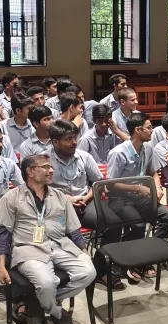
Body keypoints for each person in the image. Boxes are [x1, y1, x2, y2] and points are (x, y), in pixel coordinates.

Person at [0, 154, 96, 324]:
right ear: (30, 172)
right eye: (45, 167)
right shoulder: (11, 198)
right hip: (28, 249)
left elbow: (73, 228)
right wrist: (1, 266)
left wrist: (83, 249)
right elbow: (3, 234)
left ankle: (36, 301)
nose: (51, 171)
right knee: (46, 283)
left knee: (88, 272)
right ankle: (55, 311)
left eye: (51, 167)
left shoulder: (59, 196)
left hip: (60, 244)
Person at [46, 120, 124, 290]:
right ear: (55, 142)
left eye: (75, 137)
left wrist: (86, 197)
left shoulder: (83, 156)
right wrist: (65, 198)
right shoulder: (44, 161)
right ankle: (65, 274)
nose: (74, 142)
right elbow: (39, 189)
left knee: (113, 223)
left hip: (85, 203)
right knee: (55, 233)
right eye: (68, 139)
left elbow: (98, 183)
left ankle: (100, 270)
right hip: (58, 208)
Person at [105, 112, 168, 283]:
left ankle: (147, 253)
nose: (152, 130)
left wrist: (157, 187)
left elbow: (153, 172)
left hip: (141, 196)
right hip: (120, 199)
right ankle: (131, 261)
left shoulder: (148, 149)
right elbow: (110, 184)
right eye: (149, 127)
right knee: (138, 225)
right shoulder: (118, 153)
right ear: (138, 130)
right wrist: (138, 188)